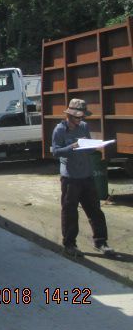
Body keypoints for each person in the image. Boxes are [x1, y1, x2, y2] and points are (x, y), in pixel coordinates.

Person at [52, 98, 114, 257]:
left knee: (95, 210)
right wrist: (71, 147)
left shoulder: (84, 127)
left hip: (86, 176)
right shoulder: (59, 130)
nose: (81, 120)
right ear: (69, 115)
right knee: (70, 211)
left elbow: (87, 148)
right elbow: (56, 152)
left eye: (82, 117)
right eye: (78, 117)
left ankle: (101, 241)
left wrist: (93, 146)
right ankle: (70, 244)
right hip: (70, 178)